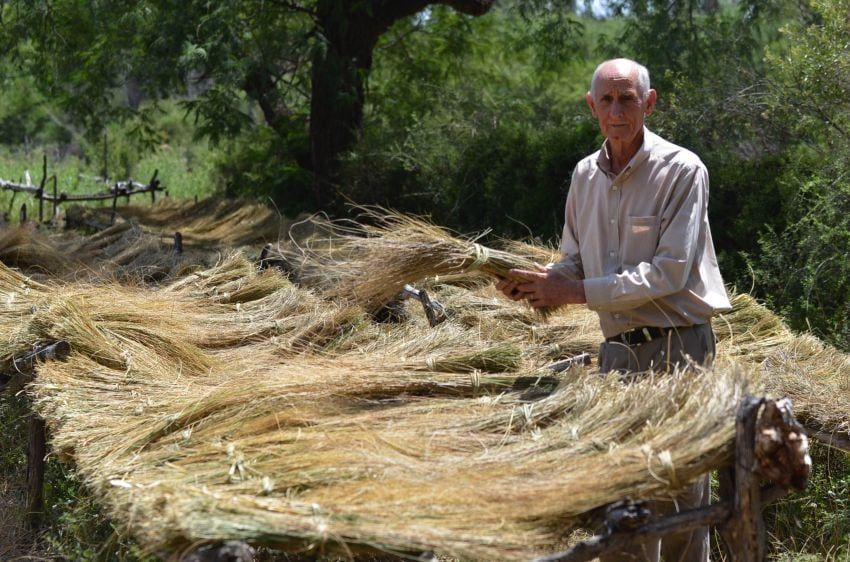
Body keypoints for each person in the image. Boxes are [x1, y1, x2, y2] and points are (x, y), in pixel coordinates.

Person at [496, 58, 731, 562]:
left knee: (681, 493)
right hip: (618, 359)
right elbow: (575, 259)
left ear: (649, 103)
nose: (617, 110)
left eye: (627, 99)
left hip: (680, 352)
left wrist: (572, 292)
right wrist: (536, 285)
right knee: (624, 498)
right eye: (606, 100)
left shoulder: (682, 170)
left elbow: (669, 273)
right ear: (591, 107)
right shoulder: (585, 175)